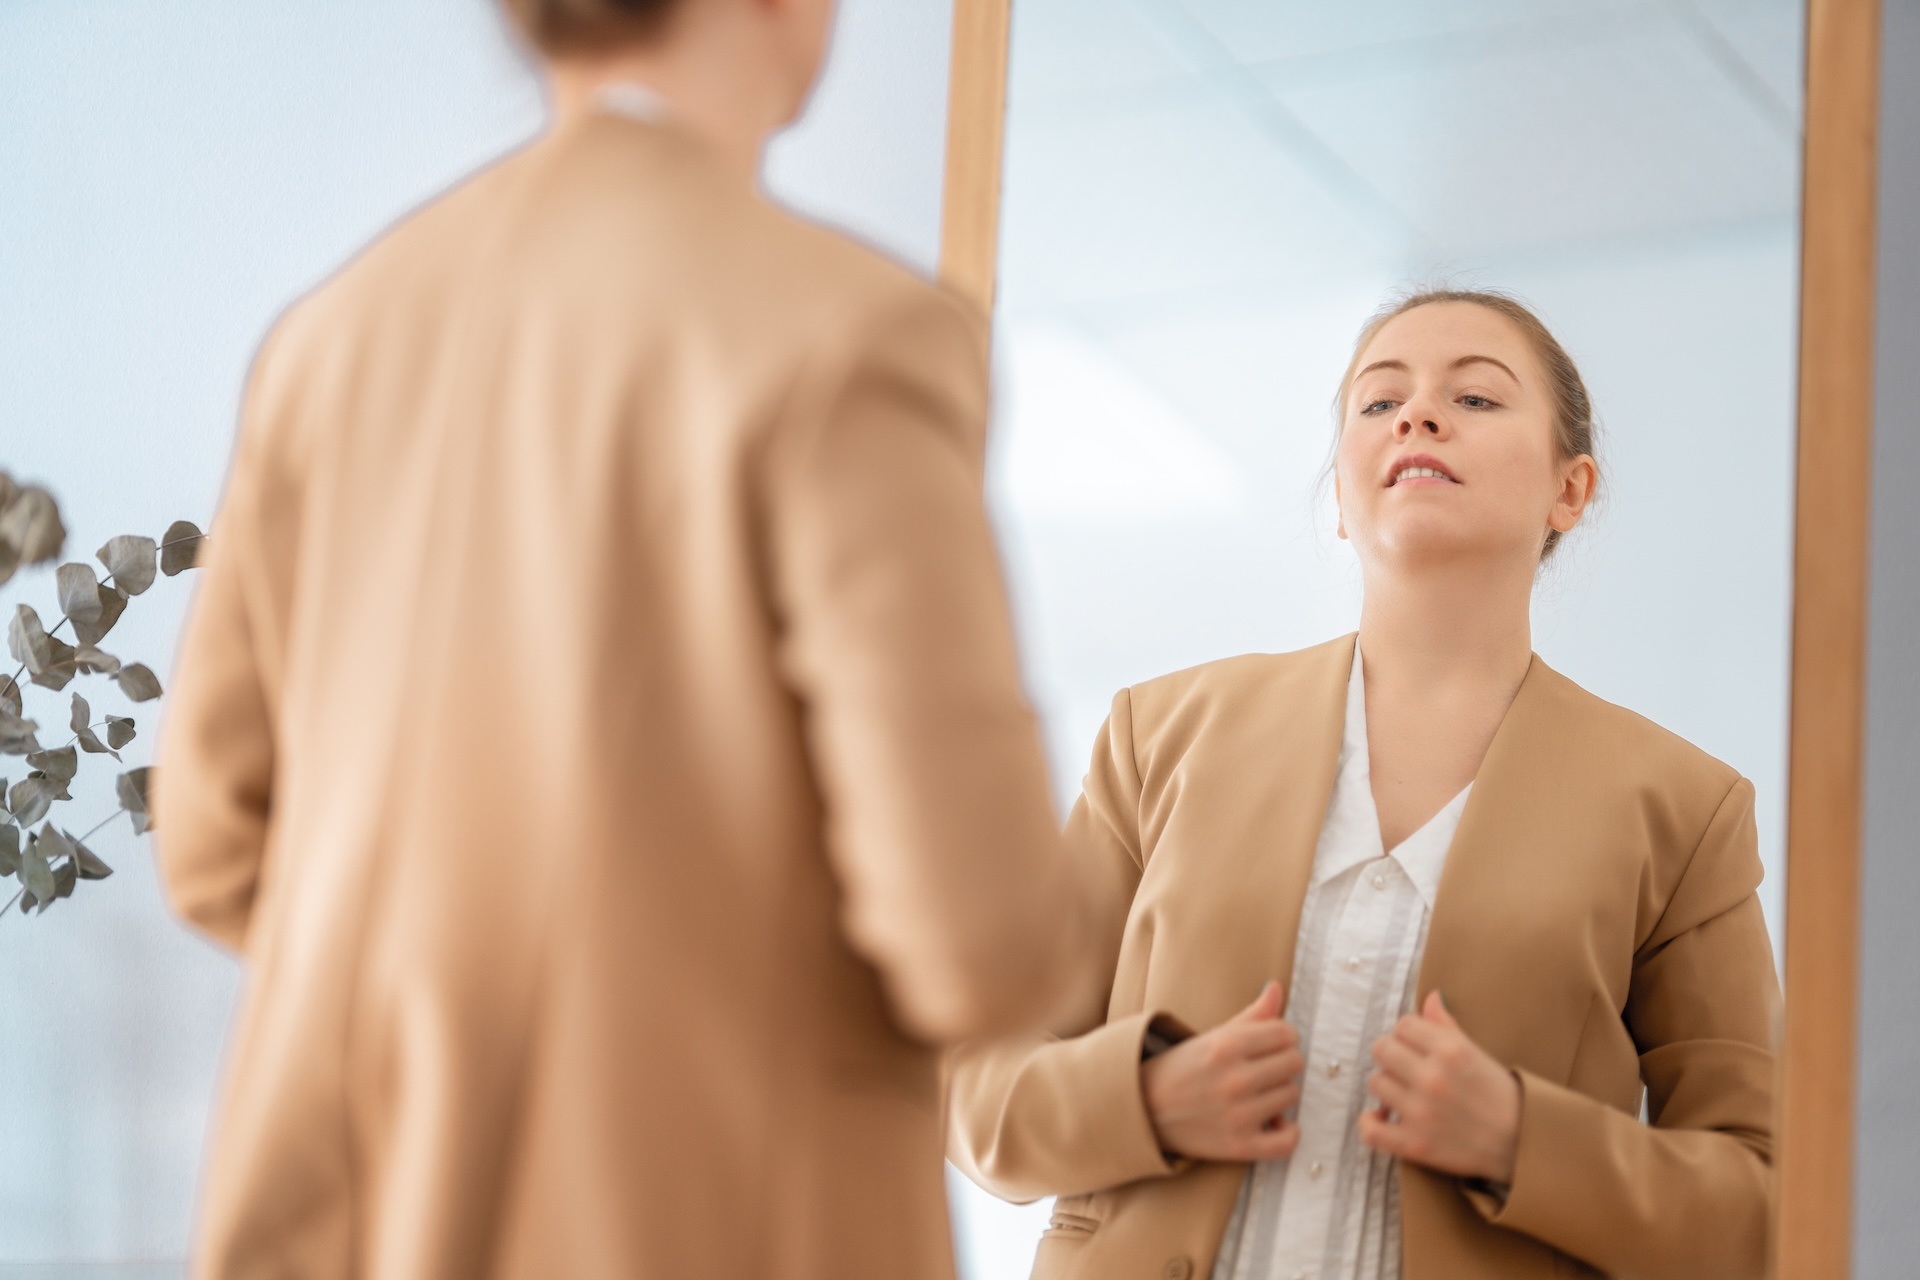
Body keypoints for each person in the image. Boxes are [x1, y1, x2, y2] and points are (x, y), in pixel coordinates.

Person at [154, 1, 1114, 1276]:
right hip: (705, 1211)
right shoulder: (851, 331)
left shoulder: (332, 335)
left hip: (346, 1214)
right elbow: (978, 945)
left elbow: (214, 840)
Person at [949, 290, 1778, 1280]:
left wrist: (1523, 1136)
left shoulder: (1683, 810)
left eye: (1474, 397)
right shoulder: (1158, 736)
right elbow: (974, 1086)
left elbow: (1767, 1205)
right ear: (1342, 497)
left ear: (1571, 489)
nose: (1418, 416)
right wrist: (1148, 1099)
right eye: (1379, 403)